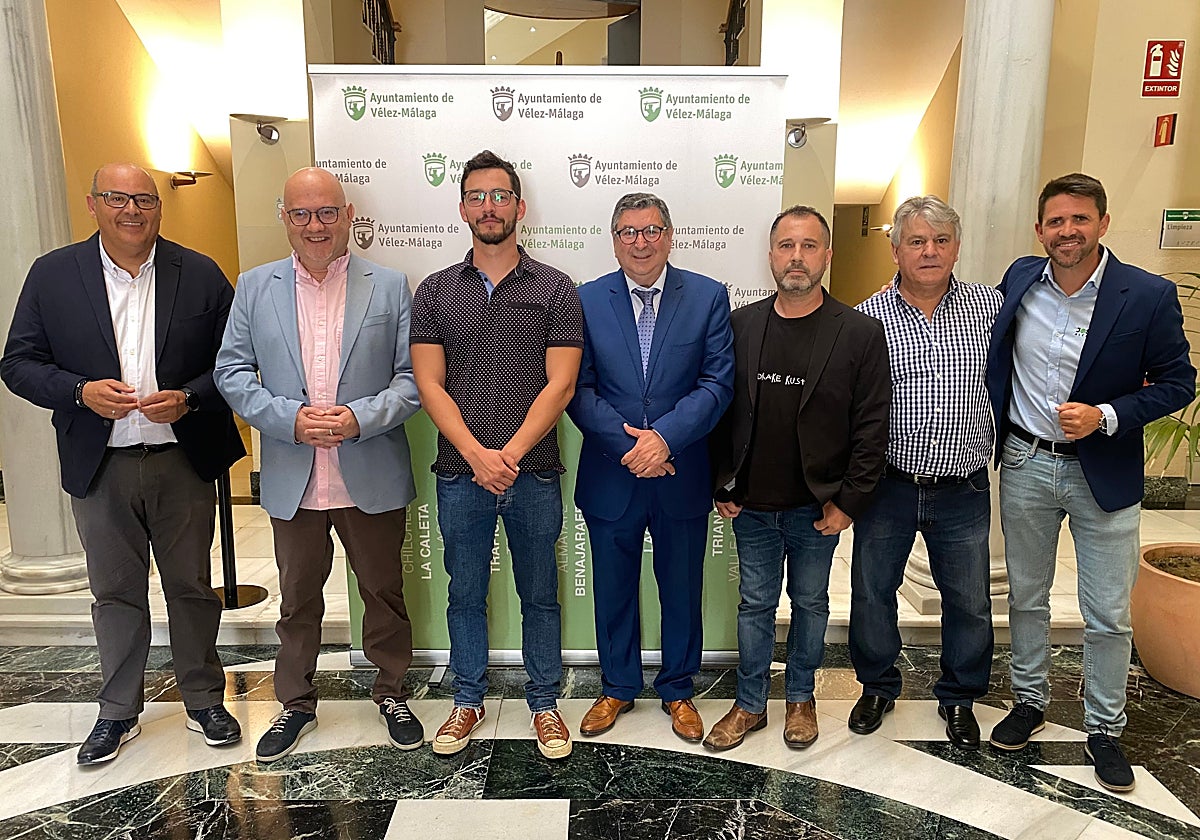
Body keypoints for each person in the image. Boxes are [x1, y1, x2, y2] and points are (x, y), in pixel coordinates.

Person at [1, 163, 246, 764]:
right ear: (93, 204)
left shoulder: (201, 273)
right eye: (117, 198)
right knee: (115, 591)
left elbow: (238, 360)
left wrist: (188, 397)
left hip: (182, 460)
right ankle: (118, 711)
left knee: (190, 585)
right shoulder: (54, 275)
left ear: (159, 208)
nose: (131, 210)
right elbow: (19, 362)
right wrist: (79, 392)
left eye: (144, 199)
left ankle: (203, 699)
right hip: (99, 462)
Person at [986, 173, 1195, 791]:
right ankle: (1029, 701)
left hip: (1104, 470)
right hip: (1025, 462)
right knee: (1027, 595)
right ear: (1040, 230)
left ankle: (1105, 727)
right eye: (1056, 221)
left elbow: (1178, 382)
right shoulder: (1021, 279)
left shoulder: (1147, 295)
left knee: (1107, 613)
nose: (1067, 231)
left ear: (1102, 223)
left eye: (1080, 219)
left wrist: (1106, 416)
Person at [215, 167, 423, 762]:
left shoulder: (388, 285)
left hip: (370, 468)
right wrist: (288, 418)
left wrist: (360, 416)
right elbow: (230, 372)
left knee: (383, 590)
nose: (315, 225)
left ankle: (391, 691)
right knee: (298, 597)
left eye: (327, 212)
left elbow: (412, 380)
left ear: (349, 214)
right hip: (292, 470)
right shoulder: (254, 286)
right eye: (301, 214)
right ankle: (296, 703)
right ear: (284, 217)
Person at [410, 150, 583, 760]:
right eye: (478, 196)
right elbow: (430, 383)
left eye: (500, 195)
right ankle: (467, 700)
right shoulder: (435, 290)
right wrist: (477, 457)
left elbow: (559, 385)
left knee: (539, 591)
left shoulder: (556, 287)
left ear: (519, 206)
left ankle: (544, 702)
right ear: (462, 208)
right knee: (465, 593)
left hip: (531, 471)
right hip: (461, 474)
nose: (490, 206)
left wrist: (505, 455)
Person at [704, 205, 890, 752]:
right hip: (753, 505)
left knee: (811, 605)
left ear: (827, 256)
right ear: (770, 256)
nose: (797, 257)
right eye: (786, 246)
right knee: (755, 604)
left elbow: (873, 423)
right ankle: (750, 704)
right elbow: (720, 411)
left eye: (809, 246)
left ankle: (801, 699)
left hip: (818, 507)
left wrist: (849, 502)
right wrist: (723, 483)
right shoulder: (740, 326)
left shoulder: (858, 332)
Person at [567, 192, 734, 743]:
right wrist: (631, 446)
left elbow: (717, 384)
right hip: (612, 473)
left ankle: (679, 688)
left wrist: (664, 439)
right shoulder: (586, 299)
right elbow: (577, 387)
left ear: (670, 234)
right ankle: (617, 686)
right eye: (630, 232)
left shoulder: (708, 297)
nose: (642, 241)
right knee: (614, 586)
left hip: (680, 470)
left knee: (681, 586)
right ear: (614, 240)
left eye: (652, 229)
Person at [849, 196, 1001, 750]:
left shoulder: (992, 308)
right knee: (871, 593)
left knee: (969, 600)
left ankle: (960, 698)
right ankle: (878, 686)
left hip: (962, 488)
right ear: (895, 251)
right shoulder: (867, 318)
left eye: (940, 240)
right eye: (916, 241)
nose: (929, 251)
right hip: (888, 486)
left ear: (957, 247)